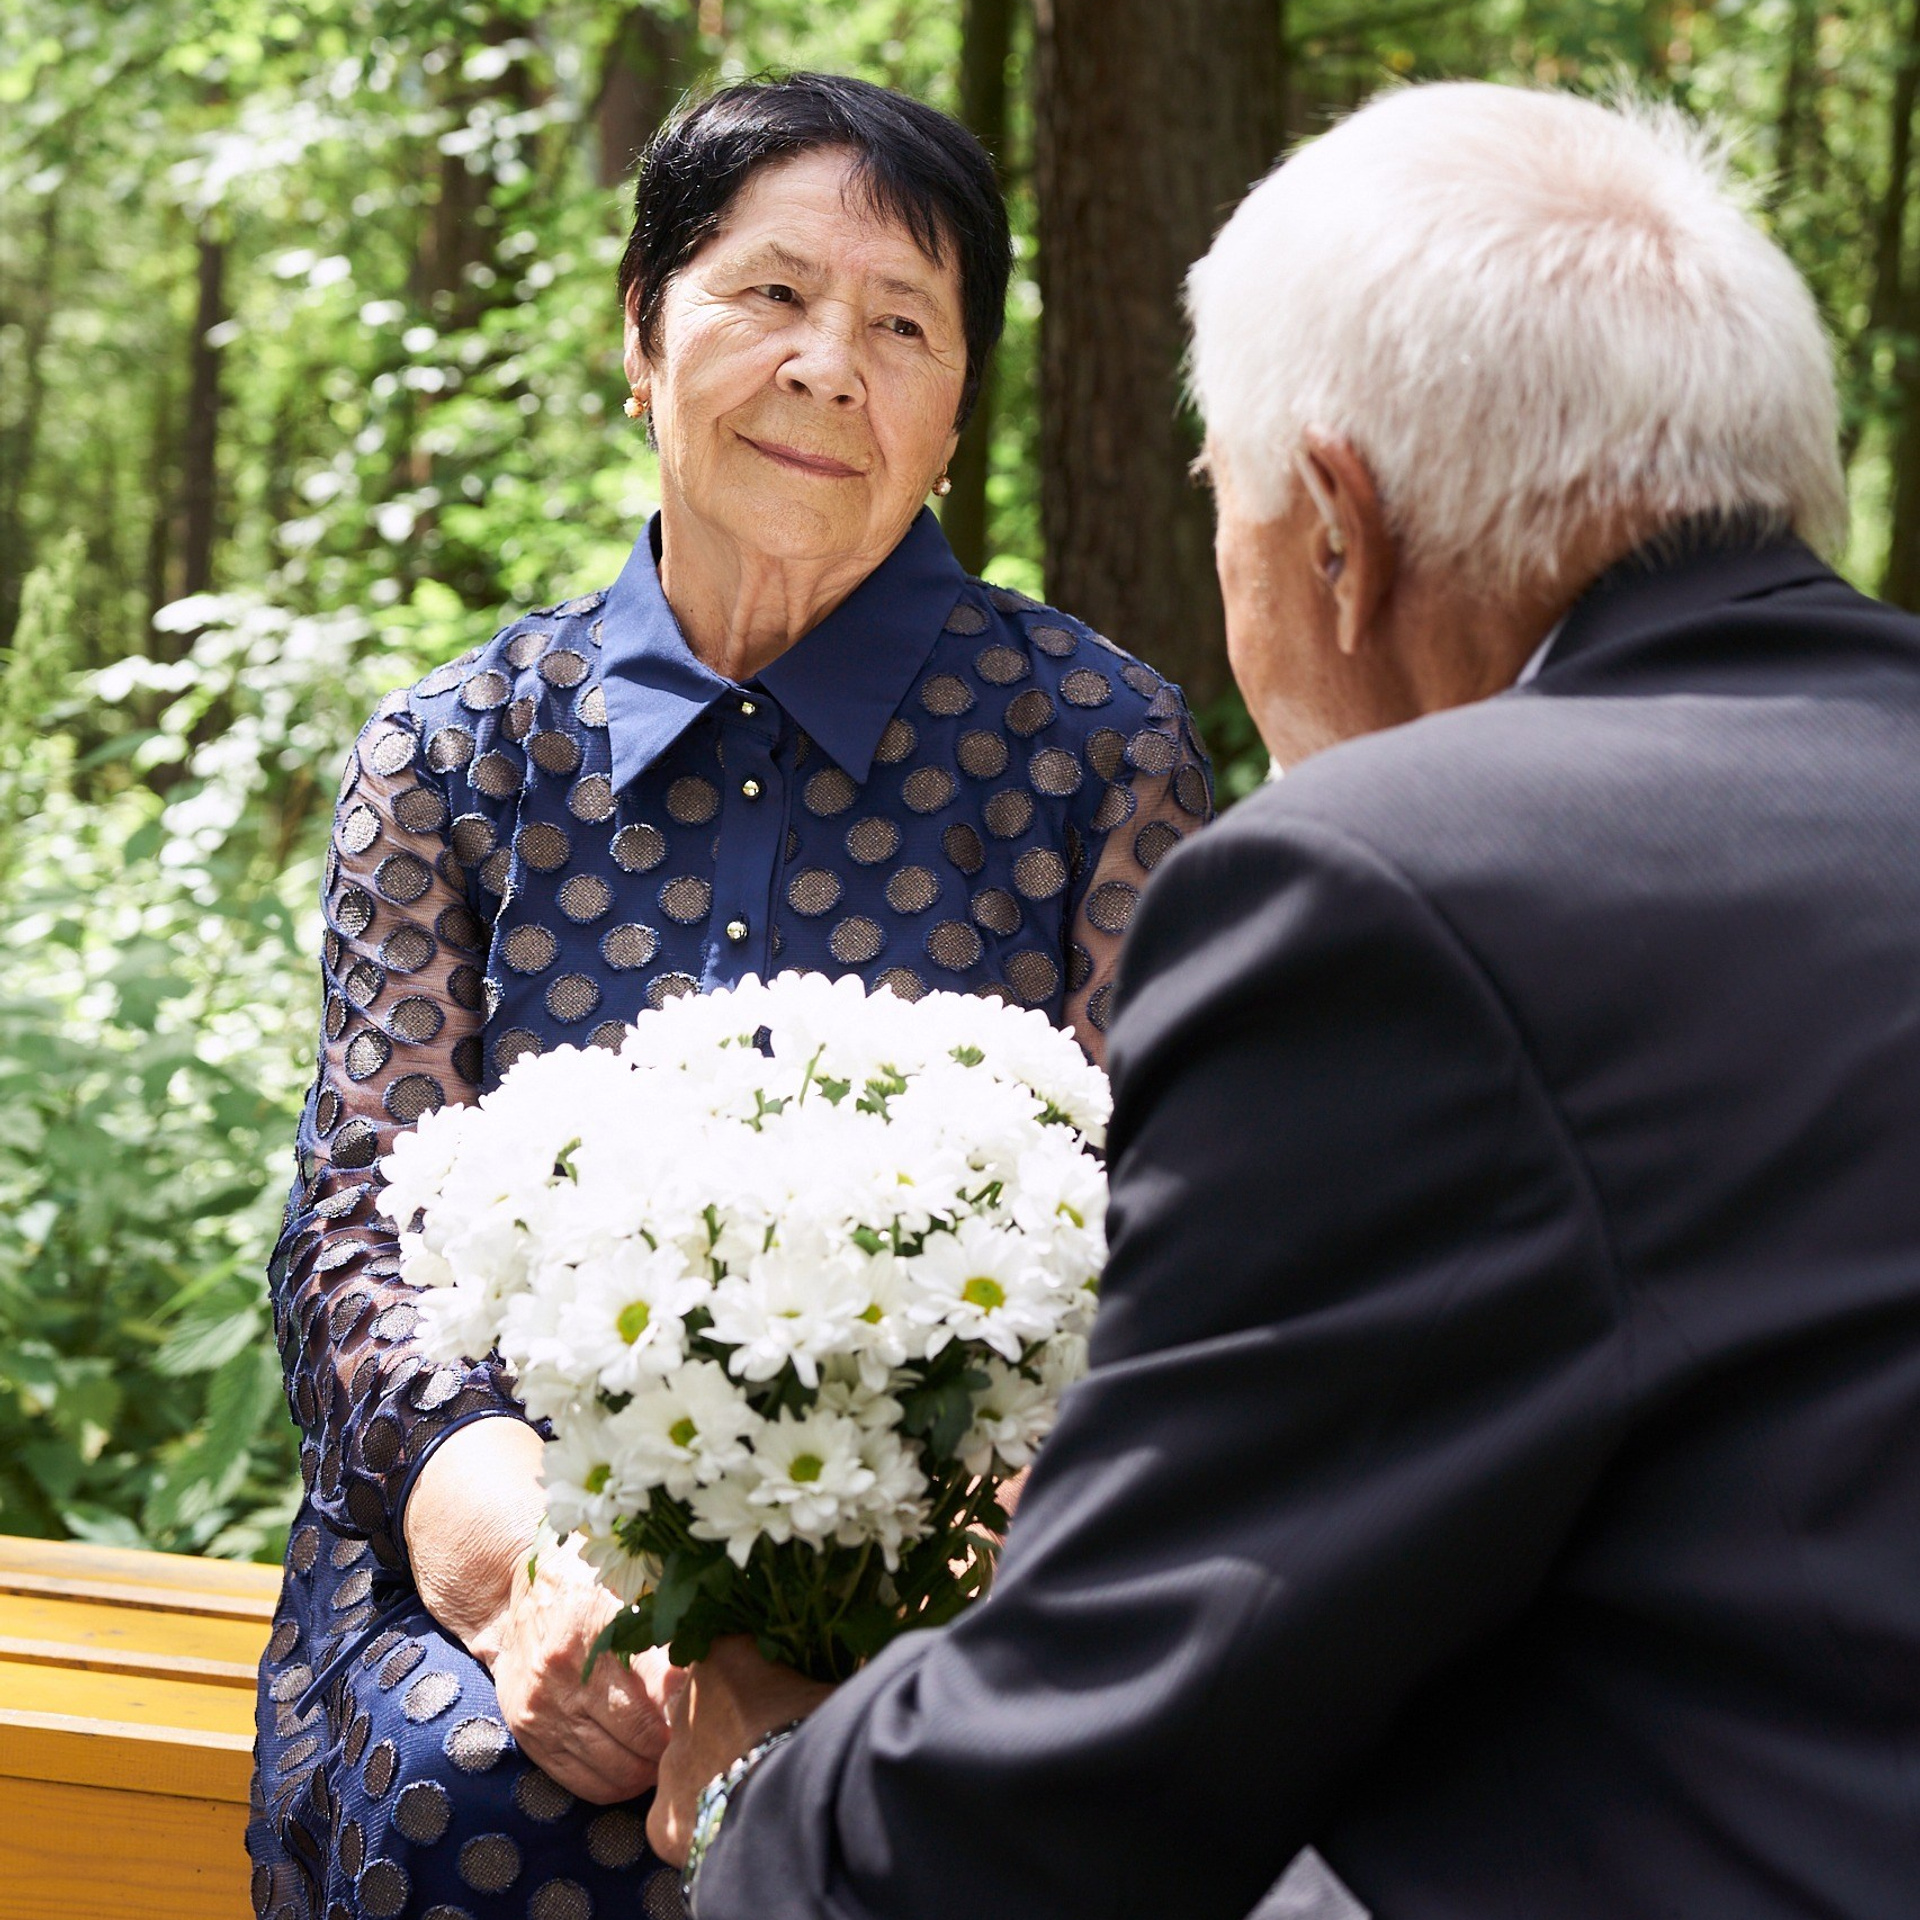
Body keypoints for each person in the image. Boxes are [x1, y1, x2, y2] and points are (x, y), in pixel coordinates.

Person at [650, 81, 1920, 1920]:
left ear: (1333, 526)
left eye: (1223, 501)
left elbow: (1096, 1763)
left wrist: (757, 1796)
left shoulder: (1396, 893)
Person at [245, 73, 1211, 1920]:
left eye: (903, 324)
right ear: (642, 334)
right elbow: (361, 1231)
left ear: (955, 415)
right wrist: (524, 1576)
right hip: (512, 1530)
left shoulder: (1100, 750)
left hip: (960, 1569)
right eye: (772, 293)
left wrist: (872, 1615)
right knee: (471, 1802)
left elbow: (1170, 1232)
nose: (830, 365)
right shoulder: (454, 757)